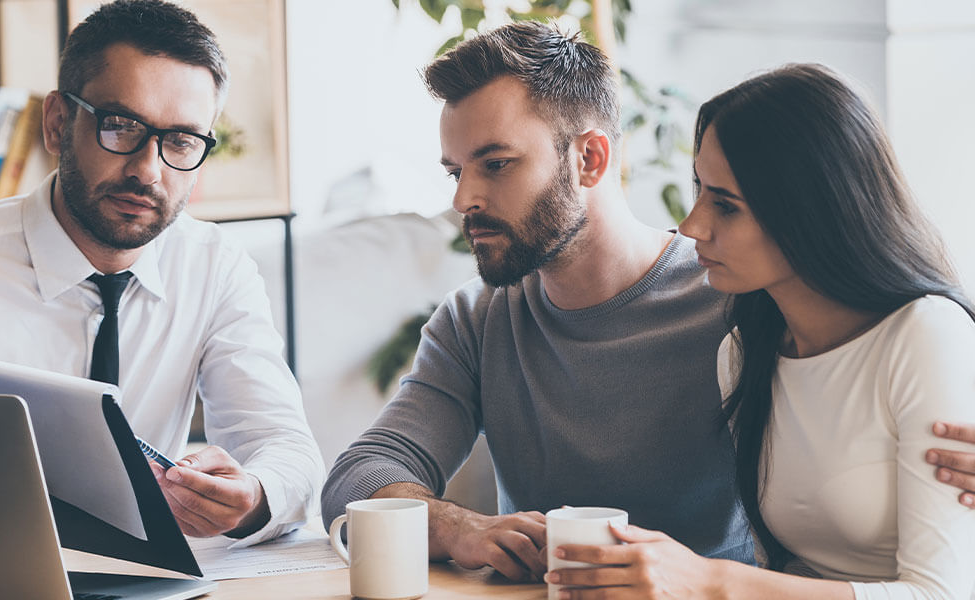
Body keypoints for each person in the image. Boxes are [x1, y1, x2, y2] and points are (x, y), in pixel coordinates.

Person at [322, 22, 975, 583]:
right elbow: (358, 476)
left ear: (590, 158)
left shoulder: (739, 297)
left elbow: (888, 333)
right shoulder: (478, 320)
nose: (464, 199)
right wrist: (455, 526)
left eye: (495, 164)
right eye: (454, 171)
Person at [0, 0, 322, 545]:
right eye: (121, 126)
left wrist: (253, 495)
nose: (147, 170)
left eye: (181, 140)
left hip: (149, 578)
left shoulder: (214, 266)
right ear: (59, 123)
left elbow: (287, 448)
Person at [546, 64, 974, 599]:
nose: (692, 225)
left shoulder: (924, 336)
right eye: (699, 189)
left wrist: (709, 581)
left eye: (725, 204)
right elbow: (785, 572)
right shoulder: (744, 352)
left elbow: (943, 595)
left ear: (813, 210)